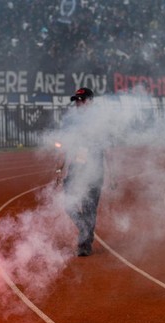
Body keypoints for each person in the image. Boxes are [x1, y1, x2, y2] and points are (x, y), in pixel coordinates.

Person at [55, 87, 105, 257]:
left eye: (81, 100)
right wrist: (59, 169)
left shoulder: (100, 120)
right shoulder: (71, 121)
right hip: (76, 169)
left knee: (89, 207)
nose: (78, 103)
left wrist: (111, 176)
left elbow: (106, 149)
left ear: (89, 101)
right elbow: (65, 146)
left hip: (94, 170)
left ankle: (85, 244)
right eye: (76, 100)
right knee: (68, 203)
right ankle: (85, 229)